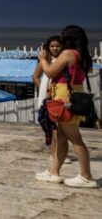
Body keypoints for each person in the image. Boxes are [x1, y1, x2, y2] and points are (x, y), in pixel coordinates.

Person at [35, 25, 97, 188]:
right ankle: (53, 171)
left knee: (75, 139)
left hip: (64, 97)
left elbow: (49, 72)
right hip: (73, 94)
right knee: (61, 137)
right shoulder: (83, 55)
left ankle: (86, 176)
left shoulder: (68, 54)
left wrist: (42, 59)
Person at [32, 36, 69, 164]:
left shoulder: (64, 60)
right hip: (48, 97)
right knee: (53, 127)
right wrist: (43, 88)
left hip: (60, 95)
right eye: (52, 46)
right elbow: (35, 77)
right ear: (48, 48)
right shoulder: (45, 61)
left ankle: (59, 153)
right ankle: (55, 154)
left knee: (60, 127)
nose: (54, 48)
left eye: (57, 46)